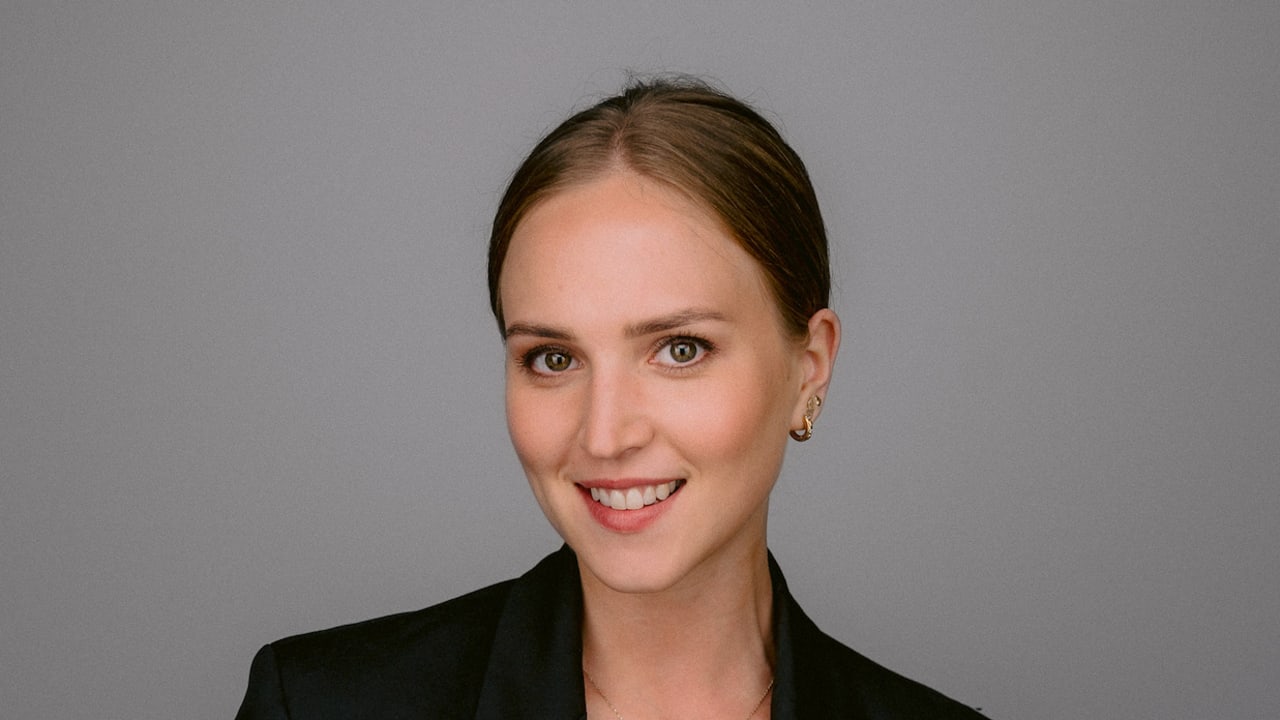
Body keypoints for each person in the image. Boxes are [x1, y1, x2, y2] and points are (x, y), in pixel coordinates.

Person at [234, 77, 988, 719]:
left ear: (809, 367)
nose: (604, 435)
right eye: (554, 358)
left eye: (680, 349)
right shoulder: (321, 705)